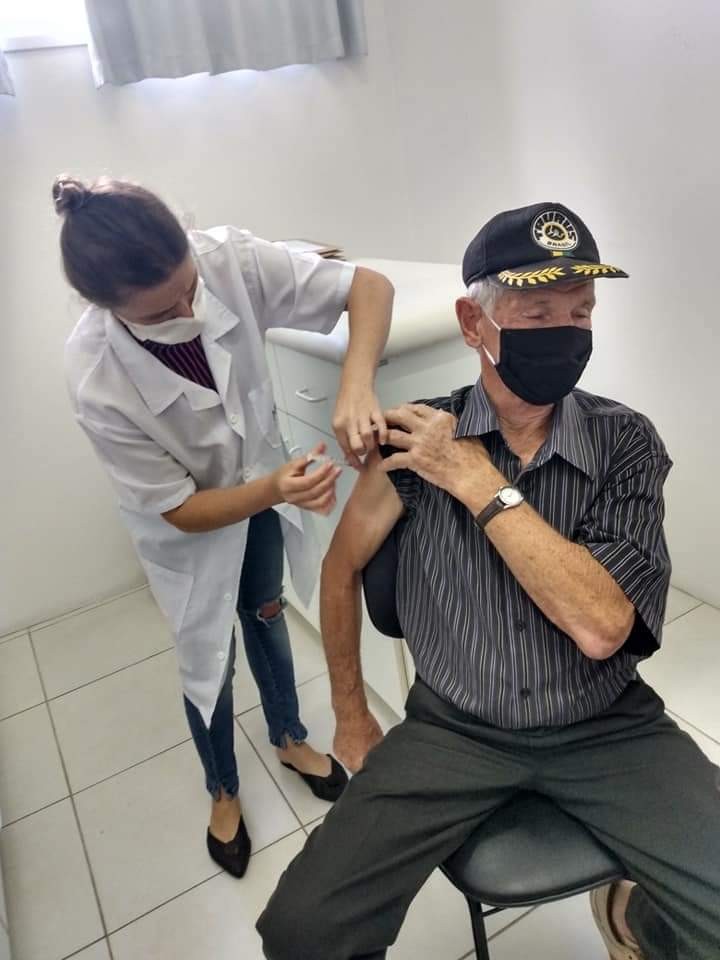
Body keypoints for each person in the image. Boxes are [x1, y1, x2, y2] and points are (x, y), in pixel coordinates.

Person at [257, 202, 720, 959]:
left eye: (581, 312)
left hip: (606, 724)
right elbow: (339, 569)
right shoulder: (413, 443)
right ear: (474, 323)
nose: (566, 332)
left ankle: (638, 922)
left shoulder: (625, 442)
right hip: (454, 730)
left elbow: (604, 625)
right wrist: (350, 712)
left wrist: (477, 480)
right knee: (301, 931)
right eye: (537, 314)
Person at [58, 175, 394, 879]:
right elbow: (180, 509)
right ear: (108, 308)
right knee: (207, 654)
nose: (189, 309)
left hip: (258, 485)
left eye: (188, 287)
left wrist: (355, 383)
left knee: (266, 612)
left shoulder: (225, 258)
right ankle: (223, 789)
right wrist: (273, 488)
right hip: (185, 526)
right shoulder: (96, 375)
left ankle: (289, 737)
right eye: (163, 310)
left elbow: (368, 287)